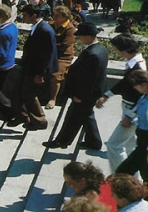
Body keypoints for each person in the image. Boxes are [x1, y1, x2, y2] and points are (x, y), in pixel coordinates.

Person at [45, 23, 109, 150]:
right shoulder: (101, 49)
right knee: (86, 116)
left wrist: (79, 96)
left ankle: (61, 141)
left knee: (72, 118)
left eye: (80, 36)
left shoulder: (92, 54)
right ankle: (94, 142)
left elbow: (88, 80)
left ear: (88, 36)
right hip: (92, 93)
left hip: (84, 95)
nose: (79, 38)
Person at [99, 34, 145, 172]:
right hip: (128, 107)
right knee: (129, 145)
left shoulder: (138, 69)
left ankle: (120, 177)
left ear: (123, 50)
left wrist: (129, 116)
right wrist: (107, 95)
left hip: (132, 111)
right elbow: (124, 84)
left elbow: (142, 97)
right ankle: (132, 179)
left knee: (114, 144)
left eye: (117, 49)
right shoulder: (133, 63)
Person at [10, 5, 58, 131]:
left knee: (29, 94)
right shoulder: (37, 28)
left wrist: (40, 74)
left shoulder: (45, 30)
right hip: (28, 67)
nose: (23, 17)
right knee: (19, 91)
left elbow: (46, 55)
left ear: (34, 16)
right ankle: (22, 116)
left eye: (25, 15)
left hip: (35, 70)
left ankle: (39, 120)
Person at [45, 5, 76, 110]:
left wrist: (49, 46)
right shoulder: (51, 25)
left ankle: (52, 98)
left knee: (55, 75)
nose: (54, 17)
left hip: (63, 57)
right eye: (54, 15)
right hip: (50, 54)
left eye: (57, 16)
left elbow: (64, 45)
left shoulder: (70, 29)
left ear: (64, 17)